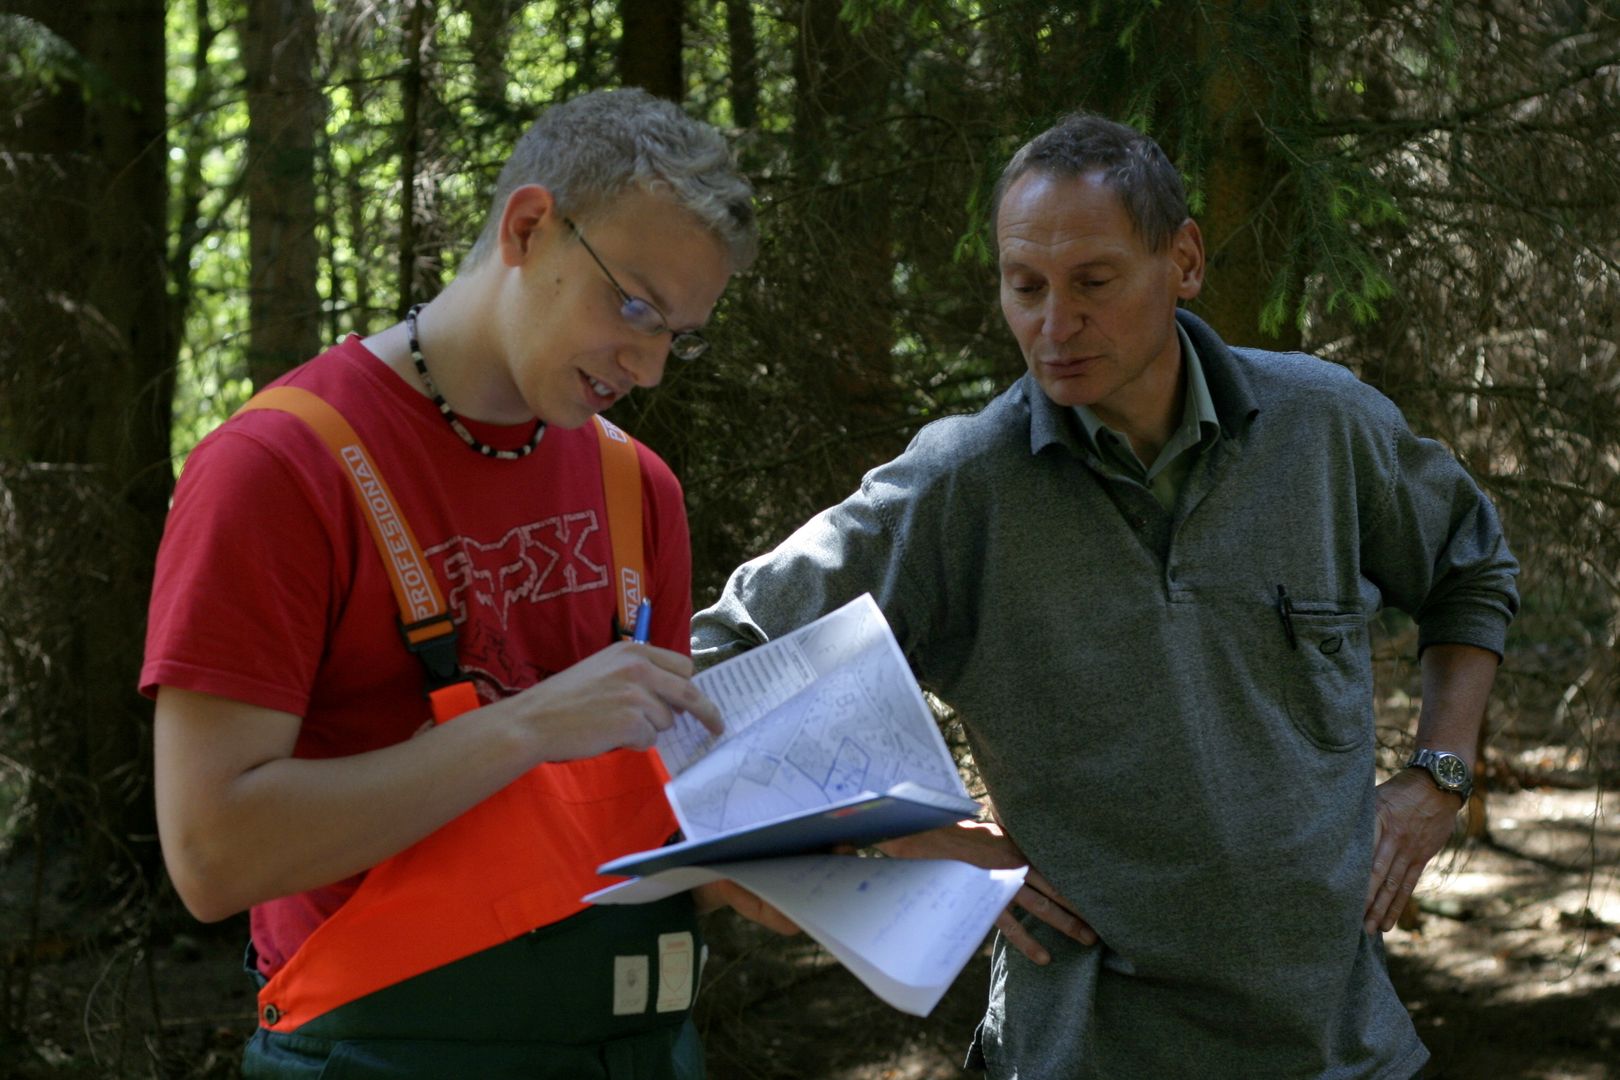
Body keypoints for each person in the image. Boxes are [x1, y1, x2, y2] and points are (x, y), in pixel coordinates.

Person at [691, 112, 1518, 1079]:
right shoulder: (963, 487)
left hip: (1342, 1045)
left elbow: (1470, 566)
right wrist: (917, 836)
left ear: (1185, 262)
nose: (1053, 323)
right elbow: (726, 654)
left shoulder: (1322, 429)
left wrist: (1439, 776)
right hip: (1083, 1049)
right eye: (1024, 286)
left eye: (1092, 283)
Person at [142, 87, 791, 1079]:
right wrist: (525, 726)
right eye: (633, 306)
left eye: (679, 334)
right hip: (377, 1053)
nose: (650, 365)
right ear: (529, 228)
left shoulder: (638, 489)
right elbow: (211, 856)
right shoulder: (278, 468)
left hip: (641, 1046)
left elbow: (639, 816)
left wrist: (753, 869)